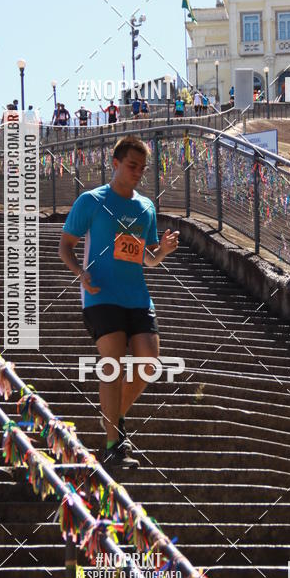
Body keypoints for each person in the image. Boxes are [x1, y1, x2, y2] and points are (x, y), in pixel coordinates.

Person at [58, 135, 179, 467]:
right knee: (112, 363)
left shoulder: (146, 207)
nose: (138, 172)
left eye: (142, 168)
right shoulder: (92, 201)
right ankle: (114, 445)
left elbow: (147, 258)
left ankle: (112, 416)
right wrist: (79, 272)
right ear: (115, 163)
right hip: (100, 294)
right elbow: (65, 245)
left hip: (136, 296)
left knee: (149, 363)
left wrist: (163, 251)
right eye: (132, 166)